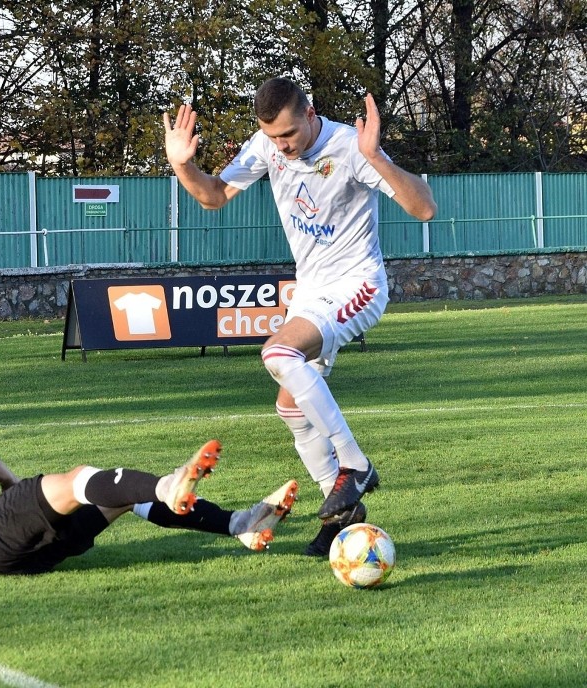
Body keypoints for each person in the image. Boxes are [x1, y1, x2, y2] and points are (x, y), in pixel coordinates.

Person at [163, 78, 437, 555]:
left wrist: (376, 158)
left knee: (278, 351)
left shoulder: (350, 147)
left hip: (358, 285)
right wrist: (182, 165)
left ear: (311, 116)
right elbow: (213, 196)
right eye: (272, 137)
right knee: (290, 406)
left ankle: (355, 465)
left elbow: (425, 208)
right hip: (311, 292)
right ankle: (342, 516)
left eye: (288, 135)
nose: (282, 147)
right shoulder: (267, 147)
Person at [0, 395, 298, 575]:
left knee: (124, 495)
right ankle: (169, 485)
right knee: (79, 480)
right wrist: (16, 491)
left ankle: (238, 524)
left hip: (3, 561)